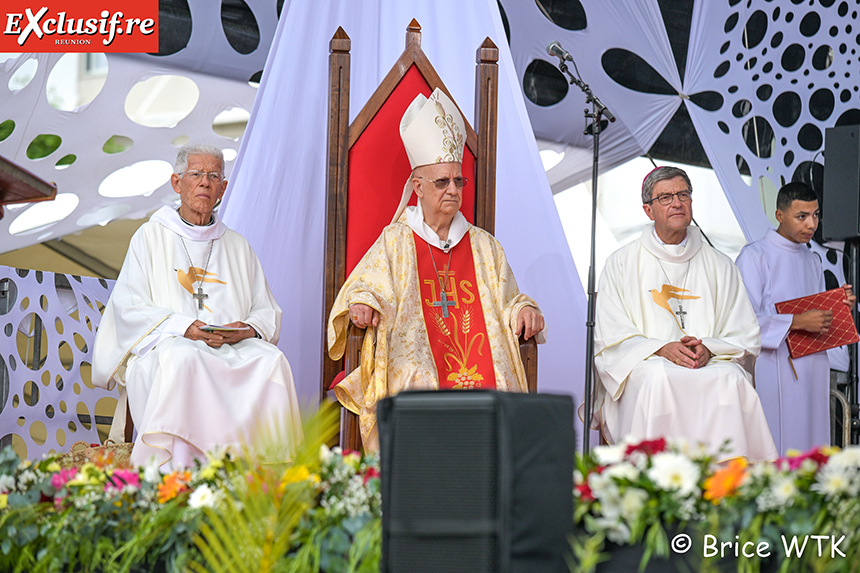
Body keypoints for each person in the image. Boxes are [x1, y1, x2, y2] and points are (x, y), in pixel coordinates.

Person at [328, 88, 546, 451]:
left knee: (501, 382)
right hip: (417, 354)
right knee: (419, 378)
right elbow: (368, 284)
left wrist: (524, 308)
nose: (453, 190)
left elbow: (509, 298)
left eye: (458, 181)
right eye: (441, 182)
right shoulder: (396, 239)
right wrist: (364, 302)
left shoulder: (484, 245)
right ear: (417, 187)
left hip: (478, 359)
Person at [92, 143, 302, 469]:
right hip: (169, 345)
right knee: (183, 357)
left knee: (273, 361)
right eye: (196, 174)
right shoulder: (150, 237)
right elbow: (128, 306)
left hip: (231, 348)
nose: (204, 182)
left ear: (223, 188)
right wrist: (184, 327)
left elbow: (265, 310)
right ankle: (177, 468)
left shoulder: (237, 245)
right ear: (177, 183)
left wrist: (244, 329)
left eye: (213, 175)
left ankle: (266, 471)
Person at [592, 166, 777, 461]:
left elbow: (745, 332)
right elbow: (610, 335)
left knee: (733, 380)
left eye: (683, 194)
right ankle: (653, 478)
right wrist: (661, 348)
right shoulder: (622, 263)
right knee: (655, 379)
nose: (677, 203)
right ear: (648, 210)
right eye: (665, 197)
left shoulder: (720, 264)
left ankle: (730, 480)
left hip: (709, 363)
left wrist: (709, 349)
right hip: (647, 362)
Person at [736, 182, 855, 454]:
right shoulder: (755, 256)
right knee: (779, 445)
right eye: (801, 216)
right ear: (780, 215)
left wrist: (836, 310)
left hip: (812, 365)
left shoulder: (812, 260)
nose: (811, 224)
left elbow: (815, 317)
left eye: (815, 215)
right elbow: (743, 321)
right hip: (774, 364)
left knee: (813, 444)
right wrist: (796, 322)